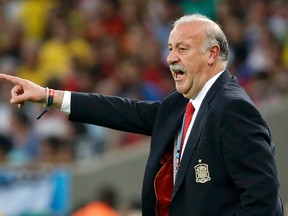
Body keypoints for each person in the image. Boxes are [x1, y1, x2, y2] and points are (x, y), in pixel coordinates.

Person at [0, 14, 284, 216]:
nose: (170, 58)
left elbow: (262, 198)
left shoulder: (233, 108)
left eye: (182, 49)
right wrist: (49, 96)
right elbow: (121, 111)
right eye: (171, 48)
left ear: (212, 54)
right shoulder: (181, 105)